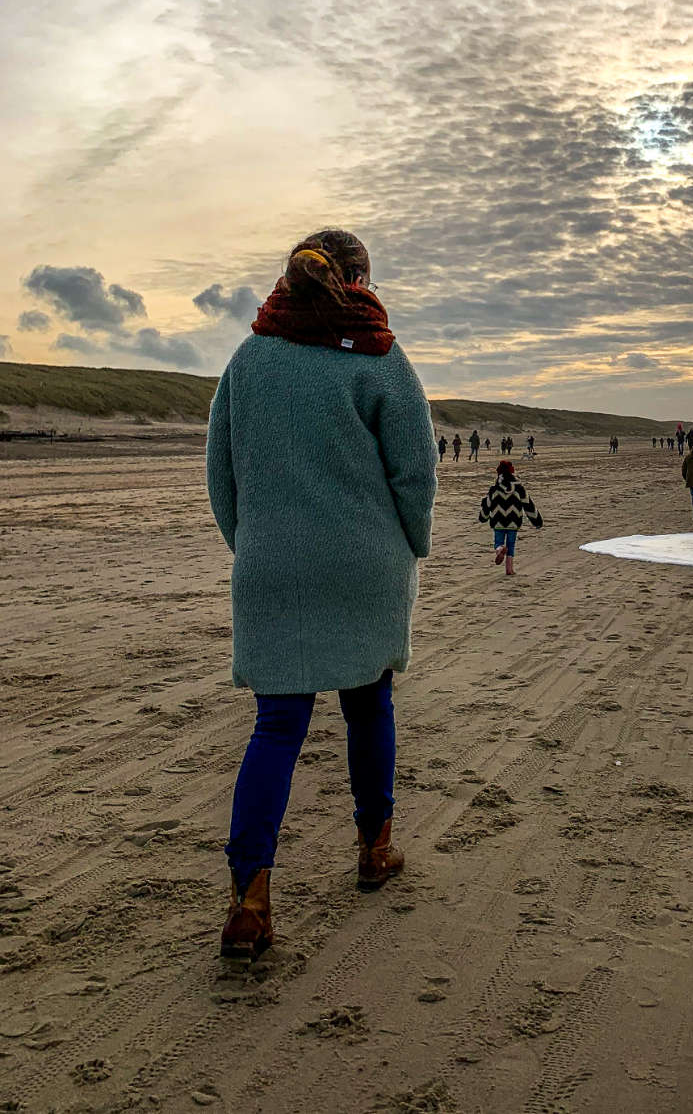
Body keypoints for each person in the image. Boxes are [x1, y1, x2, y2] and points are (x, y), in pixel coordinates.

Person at [206, 228, 436, 961]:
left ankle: (250, 899)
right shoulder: (380, 356)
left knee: (277, 726)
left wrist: (256, 545)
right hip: (367, 561)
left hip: (272, 562)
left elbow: (221, 474)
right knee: (369, 703)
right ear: (362, 280)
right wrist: (412, 545)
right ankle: (374, 852)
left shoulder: (249, 358)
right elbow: (415, 473)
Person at [479, 459, 543, 575]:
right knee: (511, 544)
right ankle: (509, 569)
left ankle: (499, 549)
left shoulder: (494, 489)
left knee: (498, 541)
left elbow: (487, 505)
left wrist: (483, 517)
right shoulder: (519, 489)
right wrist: (537, 521)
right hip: (513, 521)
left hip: (498, 521)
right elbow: (528, 505)